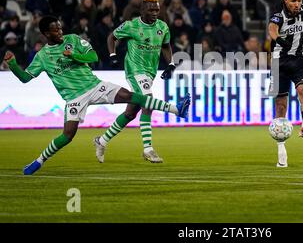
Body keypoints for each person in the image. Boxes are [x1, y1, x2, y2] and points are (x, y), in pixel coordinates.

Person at [4, 15, 190, 175]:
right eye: (55, 30)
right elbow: (25, 78)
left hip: (95, 86)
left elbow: (93, 57)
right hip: (74, 98)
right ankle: (38, 161)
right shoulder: (42, 56)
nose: (60, 32)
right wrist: (12, 65)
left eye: (60, 28)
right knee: (67, 136)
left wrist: (74, 56)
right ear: (45, 34)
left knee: (131, 96)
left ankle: (176, 109)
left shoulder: (73, 40)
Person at [94, 0, 178, 163]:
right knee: (148, 101)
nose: (155, 12)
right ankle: (148, 149)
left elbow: (166, 46)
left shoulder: (163, 27)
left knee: (131, 113)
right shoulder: (131, 26)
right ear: (142, 10)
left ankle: (101, 141)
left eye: (157, 9)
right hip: (134, 70)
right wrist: (112, 55)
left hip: (150, 73)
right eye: (151, 9)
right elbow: (112, 37)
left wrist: (171, 64)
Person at [268, 0, 303, 167]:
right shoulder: (278, 16)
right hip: (279, 62)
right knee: (281, 105)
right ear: (285, 0)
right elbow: (272, 29)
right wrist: (279, 39)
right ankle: (281, 149)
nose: (297, 4)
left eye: (299, 0)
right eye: (293, 0)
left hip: (300, 59)